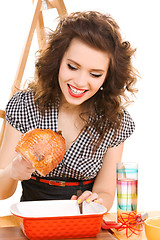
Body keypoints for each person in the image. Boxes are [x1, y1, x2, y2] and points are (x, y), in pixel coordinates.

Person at [0, 11, 137, 211]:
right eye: (72, 67)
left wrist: (96, 201)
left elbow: (106, 192)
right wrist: (13, 171)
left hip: (83, 222)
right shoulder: (26, 106)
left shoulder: (114, 121)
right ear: (58, 61)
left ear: (108, 77)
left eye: (95, 74)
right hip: (32, 224)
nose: (80, 82)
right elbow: (2, 190)